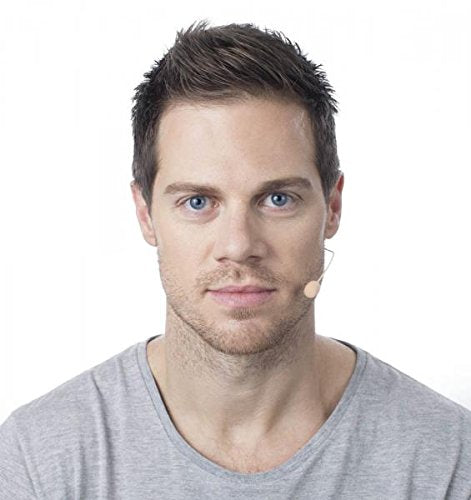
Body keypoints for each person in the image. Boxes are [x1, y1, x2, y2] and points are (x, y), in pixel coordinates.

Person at [1, 19, 470, 500]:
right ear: (145, 213)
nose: (239, 244)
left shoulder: (447, 459)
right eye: (198, 202)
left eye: (278, 199)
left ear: (332, 206)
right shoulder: (40, 462)